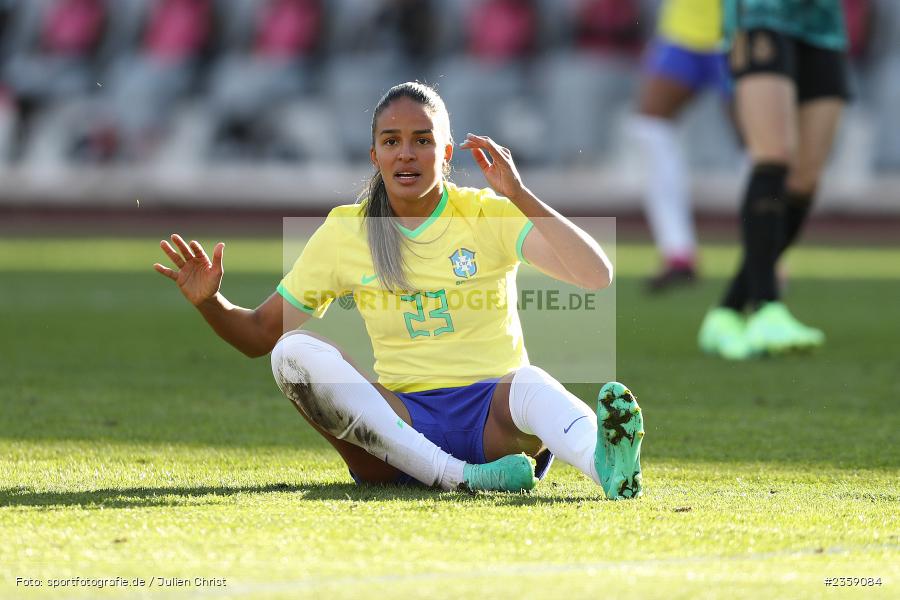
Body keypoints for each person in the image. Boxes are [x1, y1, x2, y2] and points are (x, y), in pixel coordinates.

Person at [154, 82, 644, 499]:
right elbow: (259, 334)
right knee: (291, 353)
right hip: (400, 432)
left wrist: (517, 193)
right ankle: (458, 477)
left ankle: (606, 464)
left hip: (496, 426)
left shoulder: (485, 211)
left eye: (422, 140)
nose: (406, 153)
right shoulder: (346, 231)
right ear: (375, 155)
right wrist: (210, 303)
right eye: (391, 141)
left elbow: (595, 275)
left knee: (532, 383)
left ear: (446, 153)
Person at [698, 0, 850, 360]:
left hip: (822, 22)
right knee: (773, 155)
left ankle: (727, 313)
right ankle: (767, 306)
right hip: (761, 12)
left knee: (805, 180)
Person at [630, 0, 731, 292]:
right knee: (650, 127)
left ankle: (767, 256)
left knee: (759, 142)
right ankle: (677, 252)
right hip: (682, 33)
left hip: (740, 33)